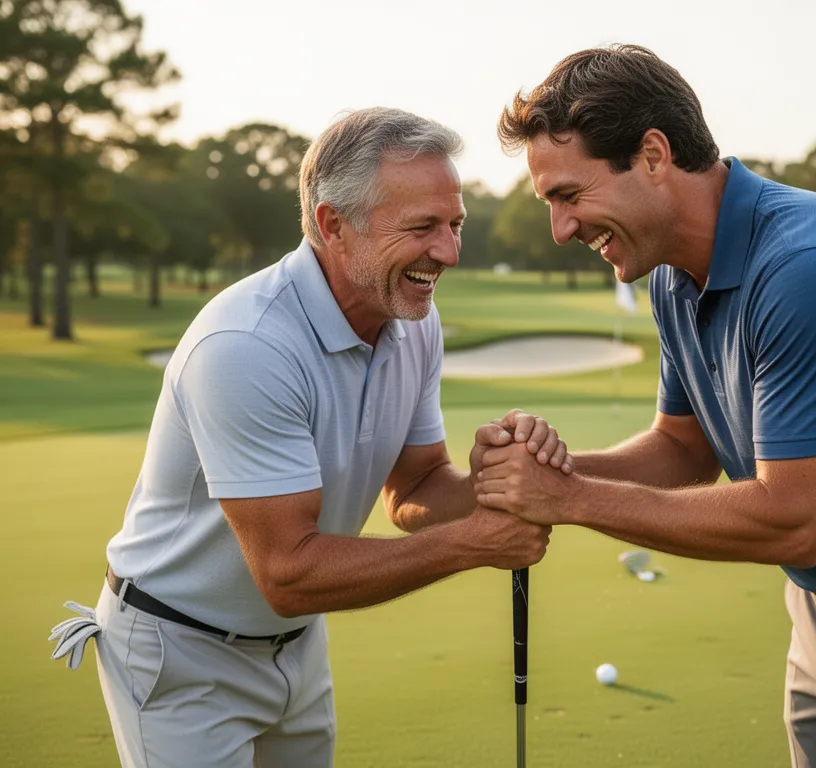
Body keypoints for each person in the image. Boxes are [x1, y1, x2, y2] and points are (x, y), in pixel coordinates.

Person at [482, 44, 816, 766]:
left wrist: (569, 498)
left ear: (652, 155)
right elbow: (683, 451)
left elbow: (794, 520)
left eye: (569, 195)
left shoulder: (809, 267)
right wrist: (547, 472)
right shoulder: (673, 274)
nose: (560, 228)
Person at [47, 107, 573, 768]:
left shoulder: (414, 321)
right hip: (179, 652)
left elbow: (413, 488)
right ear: (333, 225)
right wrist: (473, 544)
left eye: (455, 224)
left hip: (296, 644)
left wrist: (496, 483)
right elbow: (288, 574)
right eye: (422, 228)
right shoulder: (247, 343)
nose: (449, 252)